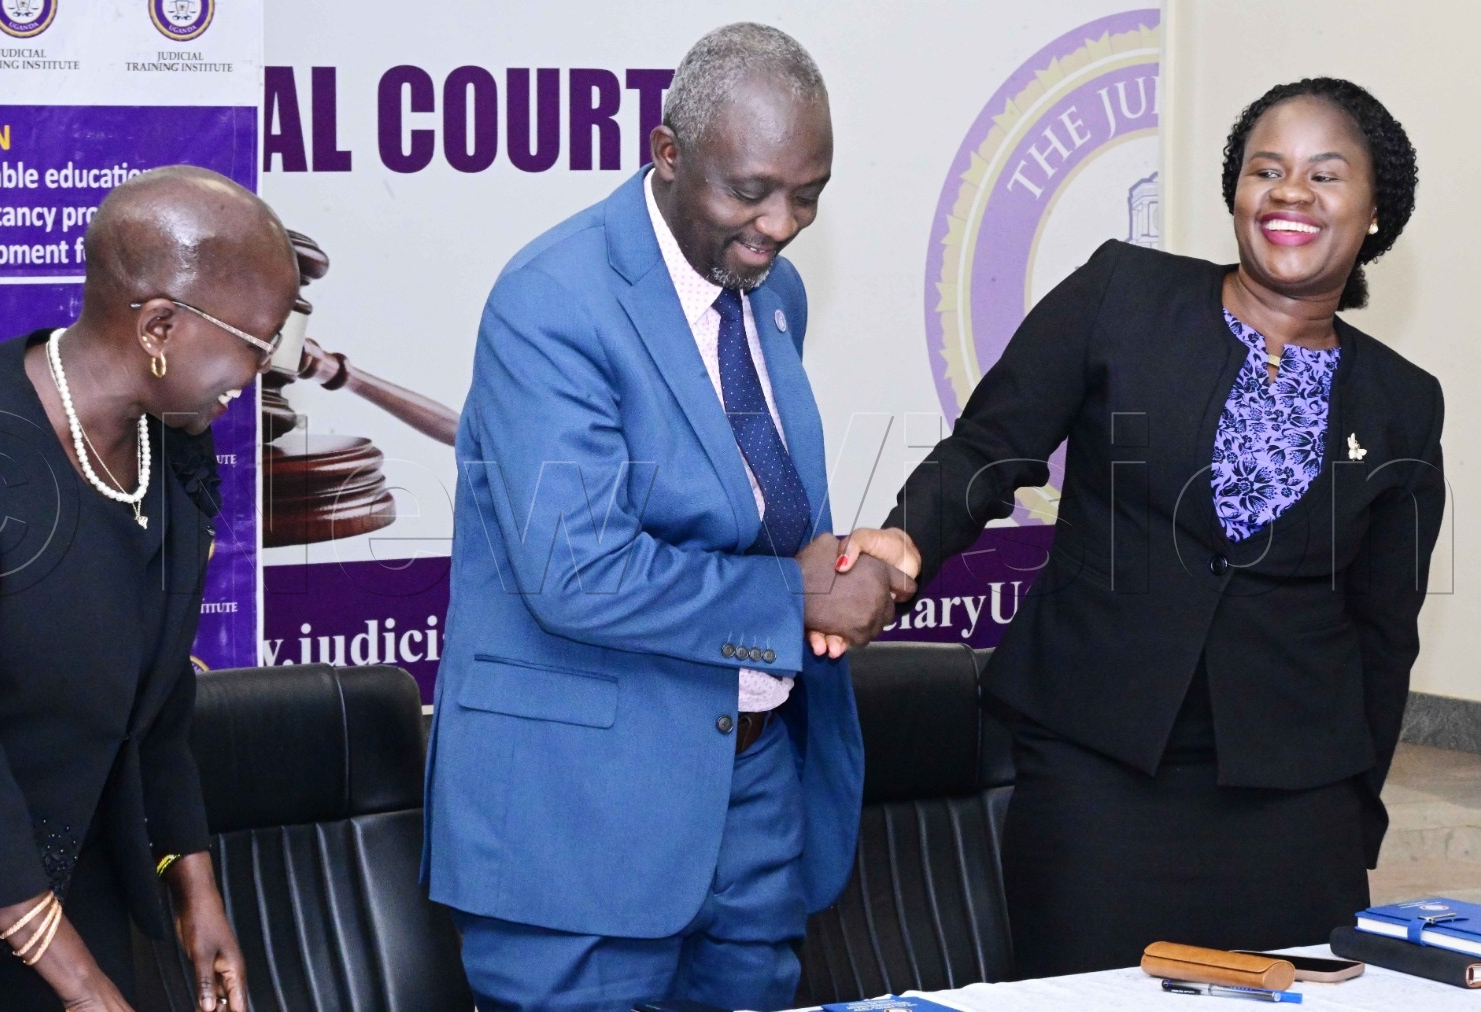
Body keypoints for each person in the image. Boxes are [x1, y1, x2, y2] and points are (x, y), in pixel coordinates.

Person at [831, 78, 1442, 976]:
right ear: (1236, 190)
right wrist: (906, 537)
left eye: (1325, 174)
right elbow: (990, 447)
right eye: (1265, 169)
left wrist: (1359, 809)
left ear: (1375, 208)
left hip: (1294, 804)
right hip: (1097, 770)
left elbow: (1384, 629)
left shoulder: (1404, 402)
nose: (1290, 193)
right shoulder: (1123, 291)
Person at [424, 23, 912, 1012]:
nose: (779, 224)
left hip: (755, 790)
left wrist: (843, 570)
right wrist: (797, 598)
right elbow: (578, 573)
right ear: (667, 153)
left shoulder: (772, 293)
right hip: (580, 816)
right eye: (751, 191)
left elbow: (747, 512)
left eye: (807, 195)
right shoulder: (551, 301)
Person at [0, 165, 299, 1010]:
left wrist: (196, 889)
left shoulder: (171, 448)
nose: (258, 371)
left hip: (91, 892)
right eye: (255, 344)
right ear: (159, 325)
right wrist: (79, 983)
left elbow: (159, 703)